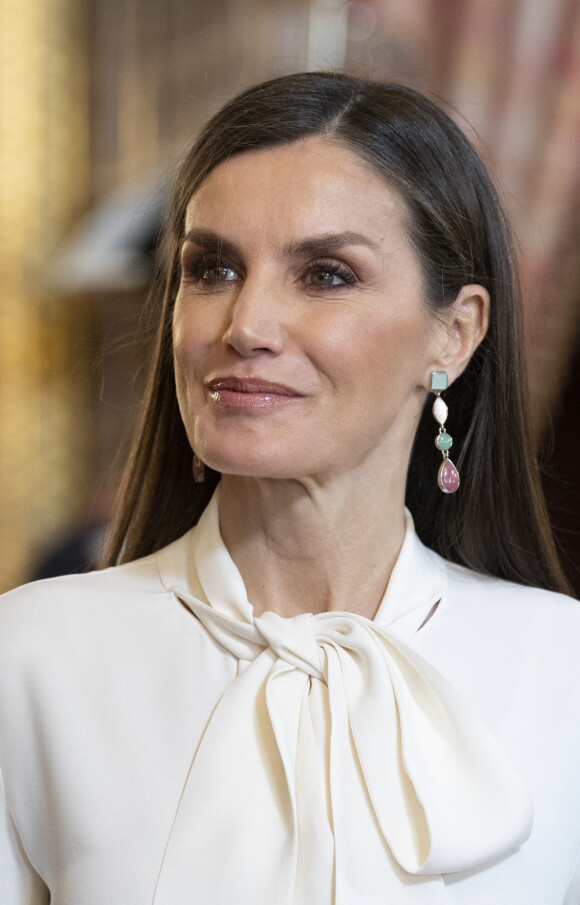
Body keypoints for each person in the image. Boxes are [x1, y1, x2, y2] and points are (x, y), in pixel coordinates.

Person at [1, 72, 579, 905]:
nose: (245, 326)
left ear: (454, 334)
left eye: (326, 274)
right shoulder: (30, 657)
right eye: (213, 268)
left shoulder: (564, 668)